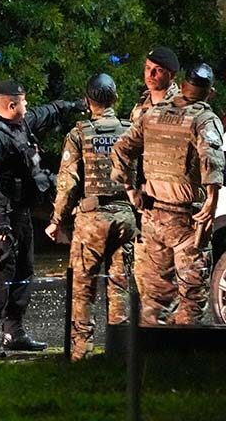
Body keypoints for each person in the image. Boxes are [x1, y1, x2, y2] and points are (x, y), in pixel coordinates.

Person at [0, 79, 85, 357]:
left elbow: (43, 113)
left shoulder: (18, 125)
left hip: (19, 211)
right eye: (23, 101)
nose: (27, 105)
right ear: (11, 105)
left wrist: (72, 106)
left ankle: (14, 331)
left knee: (23, 271)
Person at [111, 63, 225, 325]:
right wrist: (211, 199)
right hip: (186, 221)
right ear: (210, 92)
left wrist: (130, 189)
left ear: (183, 86)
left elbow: (121, 149)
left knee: (154, 299)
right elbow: (212, 158)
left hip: (152, 217)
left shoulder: (153, 114)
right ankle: (180, 359)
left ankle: (151, 360)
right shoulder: (204, 119)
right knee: (191, 298)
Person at [45, 74, 137, 361]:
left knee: (83, 287)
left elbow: (68, 182)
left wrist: (56, 219)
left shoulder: (79, 134)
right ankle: (119, 351)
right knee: (120, 284)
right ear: (115, 99)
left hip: (92, 219)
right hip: (126, 216)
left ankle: (81, 353)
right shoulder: (131, 130)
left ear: (88, 102)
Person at [130, 46, 181, 299]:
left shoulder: (185, 106)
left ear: (170, 75)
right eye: (147, 68)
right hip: (147, 202)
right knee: (148, 278)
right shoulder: (141, 107)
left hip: (177, 202)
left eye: (157, 70)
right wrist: (132, 188)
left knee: (184, 281)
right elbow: (130, 151)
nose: (150, 74)